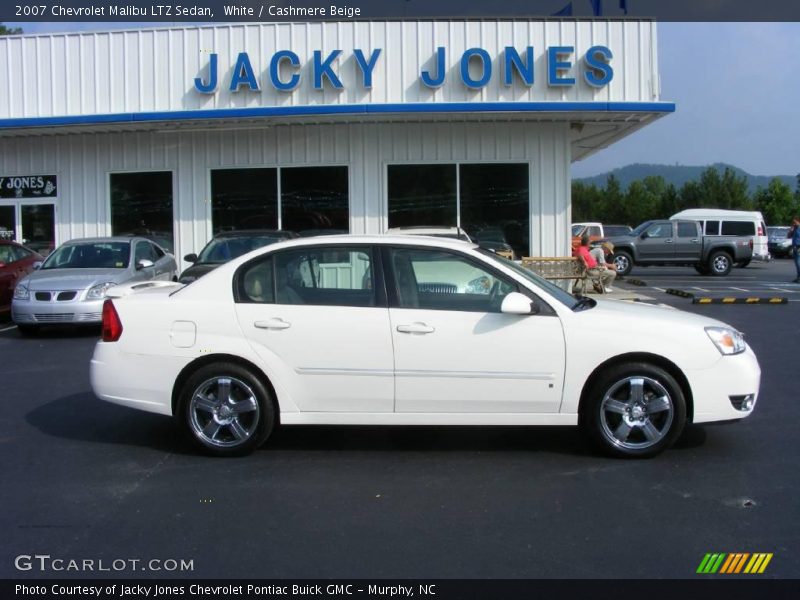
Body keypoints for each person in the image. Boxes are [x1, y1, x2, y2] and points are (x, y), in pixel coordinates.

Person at [789, 216, 800, 283]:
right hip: (794, 246)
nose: (794, 223)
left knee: (798, 262)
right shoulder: (795, 228)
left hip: (799, 246)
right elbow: (788, 236)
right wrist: (791, 230)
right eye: (793, 222)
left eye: (795, 222)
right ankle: (798, 277)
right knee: (796, 263)